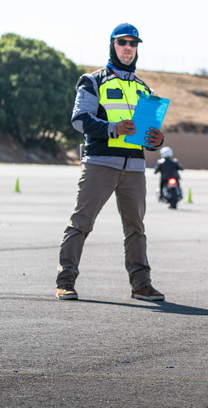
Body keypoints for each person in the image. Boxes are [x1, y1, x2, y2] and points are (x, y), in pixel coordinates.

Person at [56, 23, 166, 301]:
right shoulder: (92, 81)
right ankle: (65, 281)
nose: (128, 47)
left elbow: (144, 133)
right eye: (122, 42)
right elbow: (80, 119)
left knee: (136, 229)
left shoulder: (144, 89)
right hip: (100, 164)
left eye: (133, 43)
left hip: (135, 168)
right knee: (81, 223)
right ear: (112, 46)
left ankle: (141, 285)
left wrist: (156, 140)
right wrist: (113, 128)